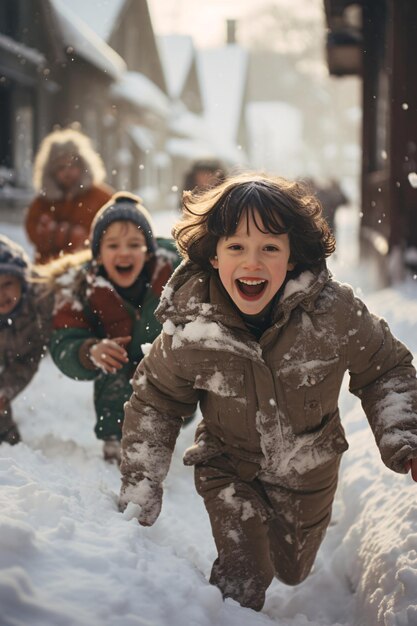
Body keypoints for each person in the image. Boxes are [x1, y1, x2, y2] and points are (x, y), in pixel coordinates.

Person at [118, 173, 417, 611]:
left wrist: (406, 437)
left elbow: (385, 369)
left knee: (291, 568)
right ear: (214, 256)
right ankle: (229, 613)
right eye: (236, 247)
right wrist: (141, 482)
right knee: (245, 570)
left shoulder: (334, 313)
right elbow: (156, 399)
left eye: (270, 248)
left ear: (293, 256)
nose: (252, 262)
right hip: (228, 464)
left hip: (309, 466)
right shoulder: (194, 328)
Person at [47, 192, 180, 463]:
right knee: (114, 366)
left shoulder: (174, 273)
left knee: (163, 387)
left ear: (148, 250)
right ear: (98, 254)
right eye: (112, 245)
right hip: (117, 372)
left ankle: (157, 441)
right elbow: (64, 338)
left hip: (167, 372)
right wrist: (89, 351)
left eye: (134, 244)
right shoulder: (82, 285)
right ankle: (115, 438)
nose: (124, 253)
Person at [25, 127, 113, 263]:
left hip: (88, 269)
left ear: (83, 166)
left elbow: (110, 232)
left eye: (72, 165)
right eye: (61, 167)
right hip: (48, 271)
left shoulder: (100, 197)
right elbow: (33, 231)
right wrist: (65, 235)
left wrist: (62, 234)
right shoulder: (43, 201)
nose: (67, 172)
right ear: (51, 171)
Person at [0, 235, 53, 445]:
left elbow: (27, 359)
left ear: (22, 281)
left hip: (22, 342)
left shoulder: (39, 305)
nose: (1, 294)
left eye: (7, 284)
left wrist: (4, 391)